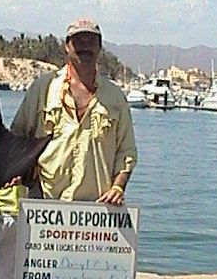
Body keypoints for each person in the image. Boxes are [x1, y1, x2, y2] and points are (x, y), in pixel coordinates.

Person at [10, 19, 137, 203]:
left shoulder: (115, 97)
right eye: (78, 42)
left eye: (91, 42)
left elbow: (126, 151)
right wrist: (17, 170)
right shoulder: (42, 88)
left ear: (100, 48)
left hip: (97, 209)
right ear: (66, 47)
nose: (85, 47)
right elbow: (18, 135)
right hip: (44, 204)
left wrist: (118, 187)